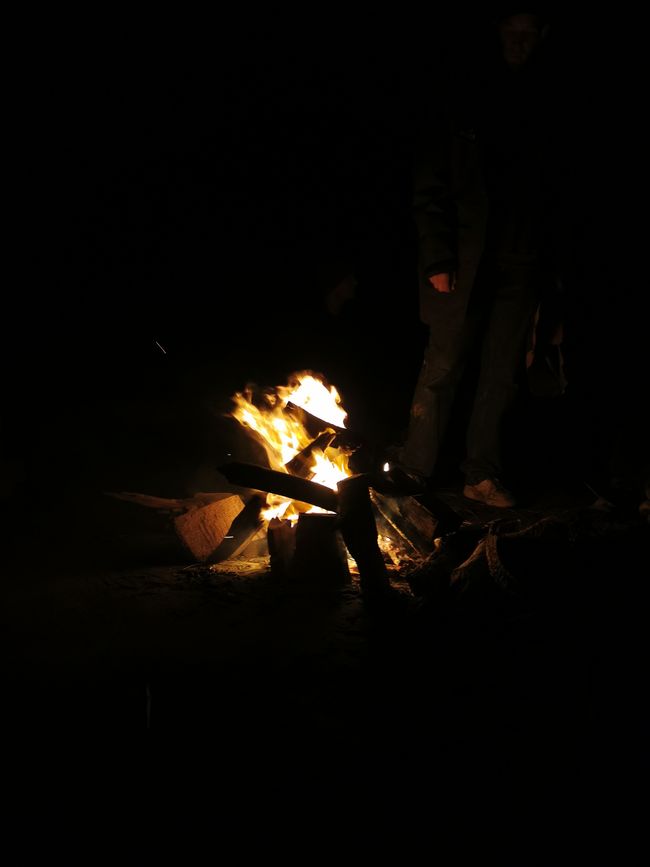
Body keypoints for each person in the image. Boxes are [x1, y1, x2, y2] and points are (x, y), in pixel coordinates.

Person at [387, 10, 568, 507]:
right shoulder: (464, 99)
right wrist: (437, 258)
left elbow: (556, 195)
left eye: (529, 33)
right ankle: (414, 468)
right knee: (443, 363)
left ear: (542, 36)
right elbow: (431, 186)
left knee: (502, 372)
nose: (520, 42)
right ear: (496, 33)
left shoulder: (547, 102)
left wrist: (550, 281)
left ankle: (481, 474)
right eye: (512, 31)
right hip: (466, 261)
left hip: (522, 261)